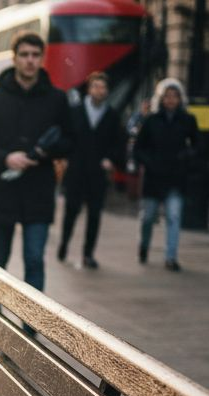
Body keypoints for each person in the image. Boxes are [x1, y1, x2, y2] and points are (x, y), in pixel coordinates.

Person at [0, 30, 71, 291]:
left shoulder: (57, 99)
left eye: (35, 55)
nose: (30, 60)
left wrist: (48, 152)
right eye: (24, 54)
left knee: (35, 260)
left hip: (38, 191)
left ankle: (31, 329)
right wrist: (5, 158)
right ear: (14, 58)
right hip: (2, 190)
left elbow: (71, 141)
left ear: (42, 59)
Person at [57, 72, 125, 269]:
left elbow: (118, 143)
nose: (99, 90)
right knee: (71, 211)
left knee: (94, 215)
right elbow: (65, 138)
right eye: (96, 86)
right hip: (76, 171)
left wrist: (111, 160)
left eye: (103, 87)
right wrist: (65, 157)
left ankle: (88, 254)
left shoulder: (112, 115)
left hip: (98, 174)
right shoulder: (75, 111)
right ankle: (64, 244)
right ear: (89, 89)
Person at [133, 78, 198, 271]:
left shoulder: (187, 120)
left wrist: (186, 156)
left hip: (175, 177)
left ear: (180, 99)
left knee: (174, 216)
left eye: (174, 96)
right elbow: (139, 148)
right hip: (154, 177)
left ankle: (171, 257)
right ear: (161, 99)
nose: (170, 100)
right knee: (148, 217)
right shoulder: (151, 120)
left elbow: (198, 145)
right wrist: (148, 162)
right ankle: (144, 246)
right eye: (167, 96)